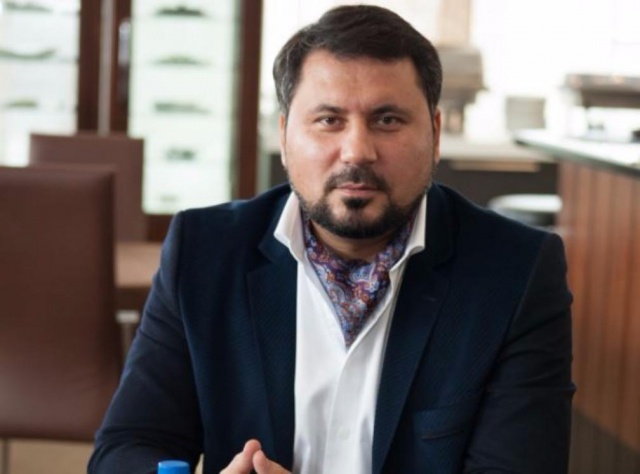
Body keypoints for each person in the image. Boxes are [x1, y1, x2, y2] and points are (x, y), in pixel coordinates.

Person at [88, 5, 574, 474]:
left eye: (387, 119)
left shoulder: (517, 272)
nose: (357, 151)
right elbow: (128, 447)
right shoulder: (203, 251)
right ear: (284, 136)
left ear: (435, 133)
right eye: (328, 120)